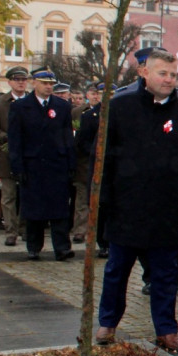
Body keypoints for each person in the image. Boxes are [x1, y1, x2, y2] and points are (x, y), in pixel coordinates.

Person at [94, 49, 178, 355]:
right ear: (144, 73)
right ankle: (107, 323)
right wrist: (102, 201)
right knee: (117, 271)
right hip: (126, 206)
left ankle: (167, 331)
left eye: (174, 75)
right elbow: (103, 158)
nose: (169, 80)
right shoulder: (120, 107)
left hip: (167, 208)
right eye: (163, 73)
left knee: (165, 275)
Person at [7, 69, 76, 261]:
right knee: (34, 209)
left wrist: (71, 163)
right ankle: (34, 247)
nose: (48, 87)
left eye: (51, 84)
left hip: (57, 164)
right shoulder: (21, 107)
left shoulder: (62, 106)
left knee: (60, 209)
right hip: (33, 165)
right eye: (44, 83)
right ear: (34, 83)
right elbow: (15, 140)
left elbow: (67, 136)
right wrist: (17, 167)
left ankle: (62, 248)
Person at [0, 66, 30, 246]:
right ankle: (10, 231)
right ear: (10, 82)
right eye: (17, 79)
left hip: (29, 154)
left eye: (23, 79)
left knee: (27, 194)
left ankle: (25, 228)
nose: (21, 83)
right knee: (8, 195)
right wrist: (6, 137)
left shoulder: (32, 101)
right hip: (7, 153)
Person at [74, 84, 109, 258]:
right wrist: (98, 153)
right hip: (96, 166)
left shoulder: (122, 113)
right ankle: (102, 242)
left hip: (117, 168)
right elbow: (82, 142)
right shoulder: (90, 116)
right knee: (99, 206)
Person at [71, 83, 102, 243]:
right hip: (86, 163)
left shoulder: (119, 113)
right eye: (94, 93)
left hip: (105, 165)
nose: (97, 96)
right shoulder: (82, 113)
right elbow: (80, 141)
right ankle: (80, 230)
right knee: (83, 198)